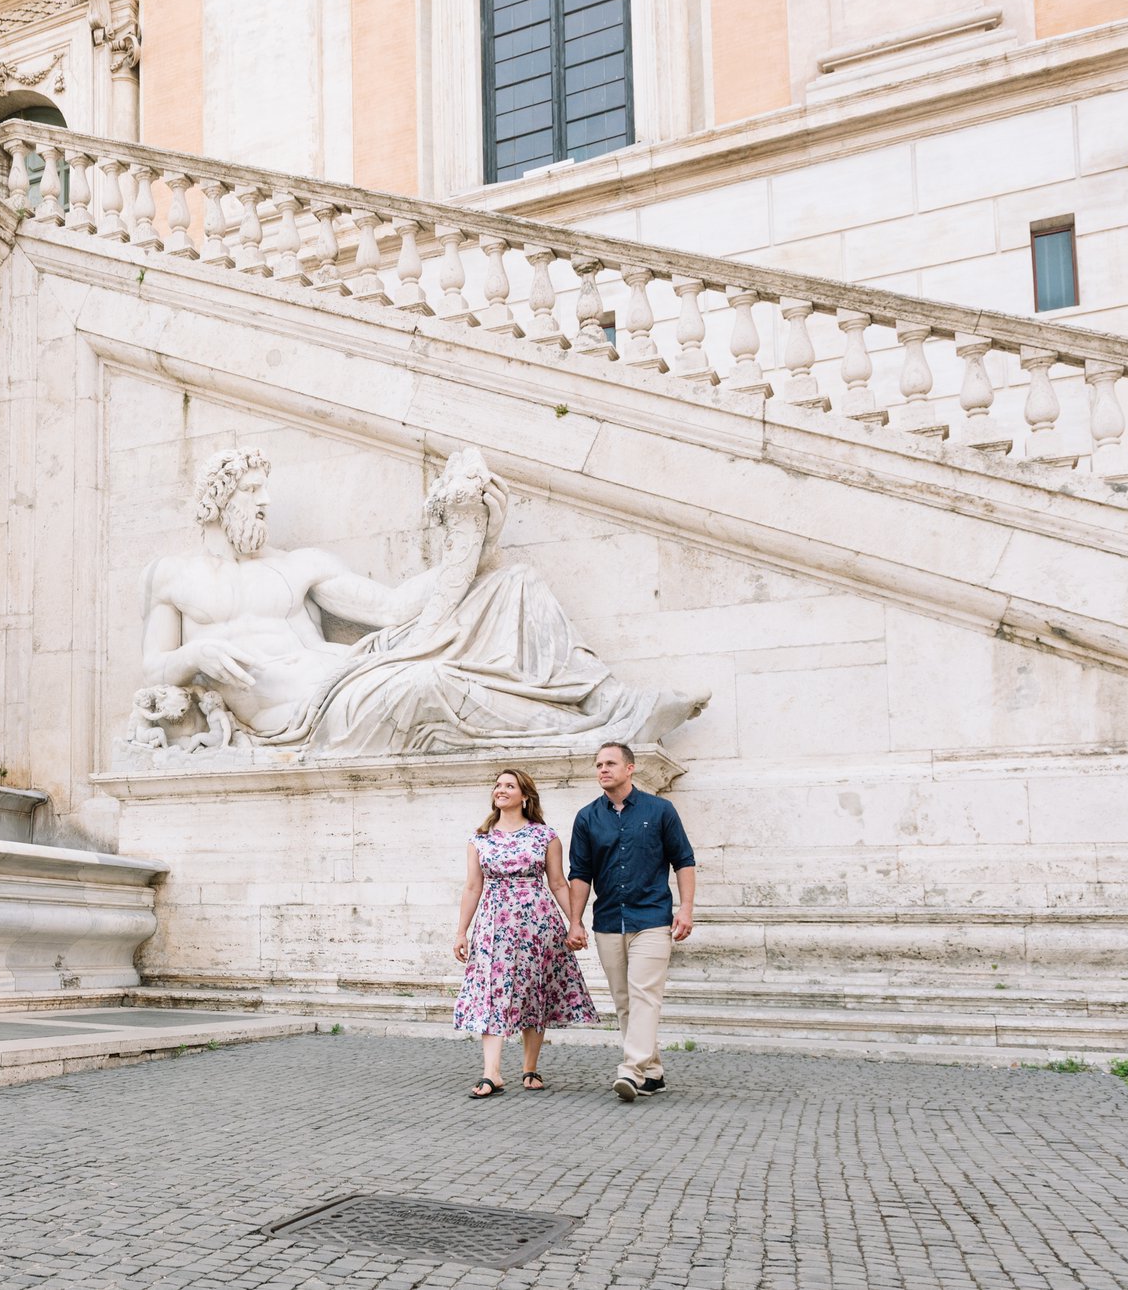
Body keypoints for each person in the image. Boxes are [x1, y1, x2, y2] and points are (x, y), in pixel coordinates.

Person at [139, 446, 707, 757]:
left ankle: (609, 703)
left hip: (348, 678)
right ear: (218, 498)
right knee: (429, 684)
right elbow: (153, 669)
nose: (263, 503)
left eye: (264, 492)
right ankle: (598, 733)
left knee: (515, 583)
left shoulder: (297, 565)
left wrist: (477, 545)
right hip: (297, 718)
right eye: (251, 492)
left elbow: (390, 610)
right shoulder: (172, 577)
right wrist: (196, 657)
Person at [452, 768, 599, 1097]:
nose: (501, 789)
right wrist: (462, 931)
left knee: (534, 990)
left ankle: (529, 1067)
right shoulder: (480, 839)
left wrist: (575, 922)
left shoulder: (545, 836)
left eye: (509, 785)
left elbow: (558, 883)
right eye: (498, 785)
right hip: (493, 926)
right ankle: (492, 1073)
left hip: (538, 925)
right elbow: (473, 887)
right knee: (492, 991)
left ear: (525, 796)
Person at [564, 742, 696, 1102]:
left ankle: (630, 1069)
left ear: (630, 768)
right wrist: (574, 922)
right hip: (608, 920)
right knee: (624, 1001)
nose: (602, 770)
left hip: (652, 918)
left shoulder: (661, 811)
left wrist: (685, 909)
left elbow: (684, 860)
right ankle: (652, 1073)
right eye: (598, 765)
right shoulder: (587, 817)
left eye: (610, 763)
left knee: (644, 995)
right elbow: (580, 873)